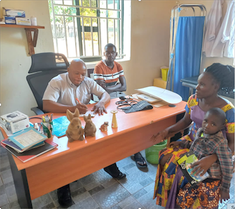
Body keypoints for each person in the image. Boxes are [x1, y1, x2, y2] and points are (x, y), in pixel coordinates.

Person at [42, 59, 126, 208]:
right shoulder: (57, 81)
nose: (79, 77)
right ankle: (63, 186)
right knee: (63, 151)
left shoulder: (87, 81)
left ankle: (108, 164)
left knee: (104, 138)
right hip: (65, 123)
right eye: (76, 73)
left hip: (85, 122)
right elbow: (47, 104)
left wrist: (100, 102)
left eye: (82, 74)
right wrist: (72, 107)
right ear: (68, 70)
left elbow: (105, 94)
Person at [152, 63, 235, 207]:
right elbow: (185, 121)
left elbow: (233, 142)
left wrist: (212, 158)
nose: (197, 87)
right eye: (198, 83)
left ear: (215, 87)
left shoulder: (228, 110)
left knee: (186, 171)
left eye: (202, 85)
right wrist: (168, 131)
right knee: (165, 157)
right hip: (193, 141)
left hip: (215, 150)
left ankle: (190, 203)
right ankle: (172, 200)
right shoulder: (193, 99)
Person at [93, 43, 147, 169]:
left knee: (133, 115)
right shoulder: (99, 67)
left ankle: (135, 150)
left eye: (113, 52)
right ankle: (113, 153)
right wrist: (116, 87)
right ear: (104, 54)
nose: (110, 55)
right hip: (106, 98)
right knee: (116, 118)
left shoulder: (118, 65)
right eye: (108, 52)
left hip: (120, 95)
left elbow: (125, 87)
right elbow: (103, 91)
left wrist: (111, 87)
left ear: (116, 54)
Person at [174, 107, 233, 209]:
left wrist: (225, 189)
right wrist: (183, 144)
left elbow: (227, 167)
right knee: (181, 201)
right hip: (195, 177)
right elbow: (197, 146)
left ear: (221, 126)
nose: (207, 125)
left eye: (213, 124)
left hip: (211, 182)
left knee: (209, 205)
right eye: (205, 121)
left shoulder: (220, 143)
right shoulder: (201, 131)